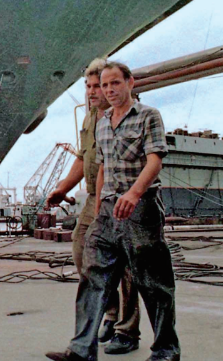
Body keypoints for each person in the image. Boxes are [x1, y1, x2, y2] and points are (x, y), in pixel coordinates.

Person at [46, 61, 180, 361]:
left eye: (114, 83)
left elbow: (155, 160)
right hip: (107, 210)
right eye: (103, 85)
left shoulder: (148, 116)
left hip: (141, 209)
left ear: (130, 82)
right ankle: (82, 349)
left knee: (153, 283)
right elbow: (103, 165)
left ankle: (166, 350)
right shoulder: (102, 122)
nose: (108, 90)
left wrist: (134, 193)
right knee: (92, 277)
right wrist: (100, 209)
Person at [47, 59, 141, 355]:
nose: (92, 91)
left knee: (125, 266)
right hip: (93, 197)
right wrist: (63, 188)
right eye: (88, 86)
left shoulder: (125, 117)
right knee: (82, 251)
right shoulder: (91, 118)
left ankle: (127, 330)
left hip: (121, 198)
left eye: (97, 86)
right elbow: (83, 157)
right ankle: (110, 313)